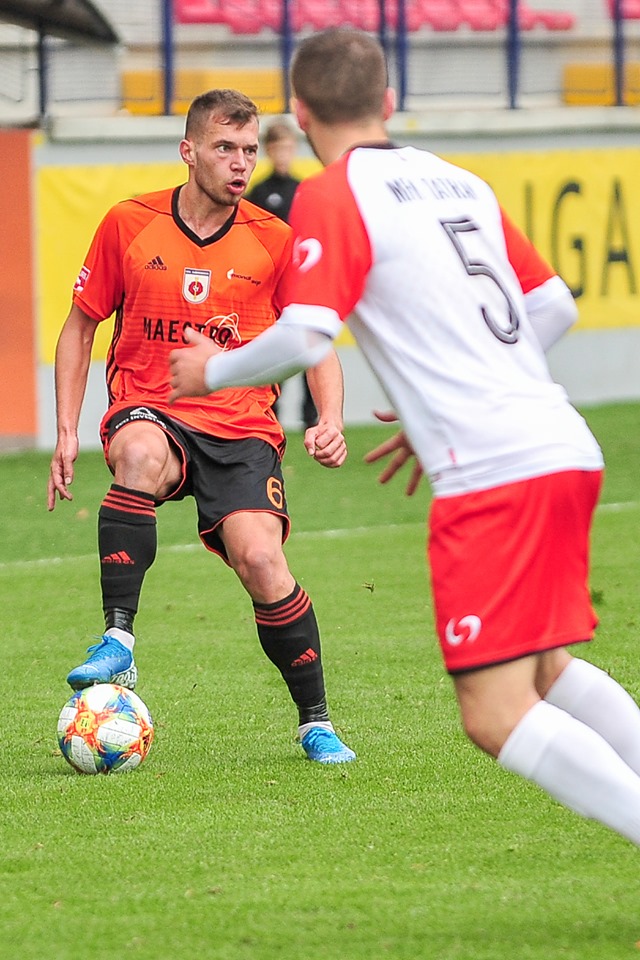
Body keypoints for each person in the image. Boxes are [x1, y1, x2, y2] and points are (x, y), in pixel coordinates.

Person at [168, 30, 640, 845]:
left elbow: (307, 333)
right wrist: (457, 398)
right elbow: (554, 304)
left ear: (301, 114)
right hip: (560, 443)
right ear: (388, 102)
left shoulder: (334, 193)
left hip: (493, 471)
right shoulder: (461, 179)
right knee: (548, 669)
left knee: (494, 713)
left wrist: (212, 369)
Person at [46, 87, 355, 765]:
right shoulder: (128, 223)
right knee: (137, 452)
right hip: (152, 406)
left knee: (262, 561)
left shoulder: (275, 239)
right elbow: (80, 326)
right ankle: (118, 640)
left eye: (249, 149)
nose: (241, 163)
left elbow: (316, 340)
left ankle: (315, 721)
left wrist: (330, 418)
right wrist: (67, 430)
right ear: (188, 151)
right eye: (225, 148)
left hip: (241, 426)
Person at [246, 119, 318, 432]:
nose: (283, 154)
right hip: (271, 287)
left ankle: (311, 415)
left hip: (300, 285)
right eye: (278, 148)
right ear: (268, 150)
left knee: (309, 346)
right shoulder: (259, 193)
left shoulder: (304, 190)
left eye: (288, 147)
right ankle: (269, 411)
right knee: (276, 348)